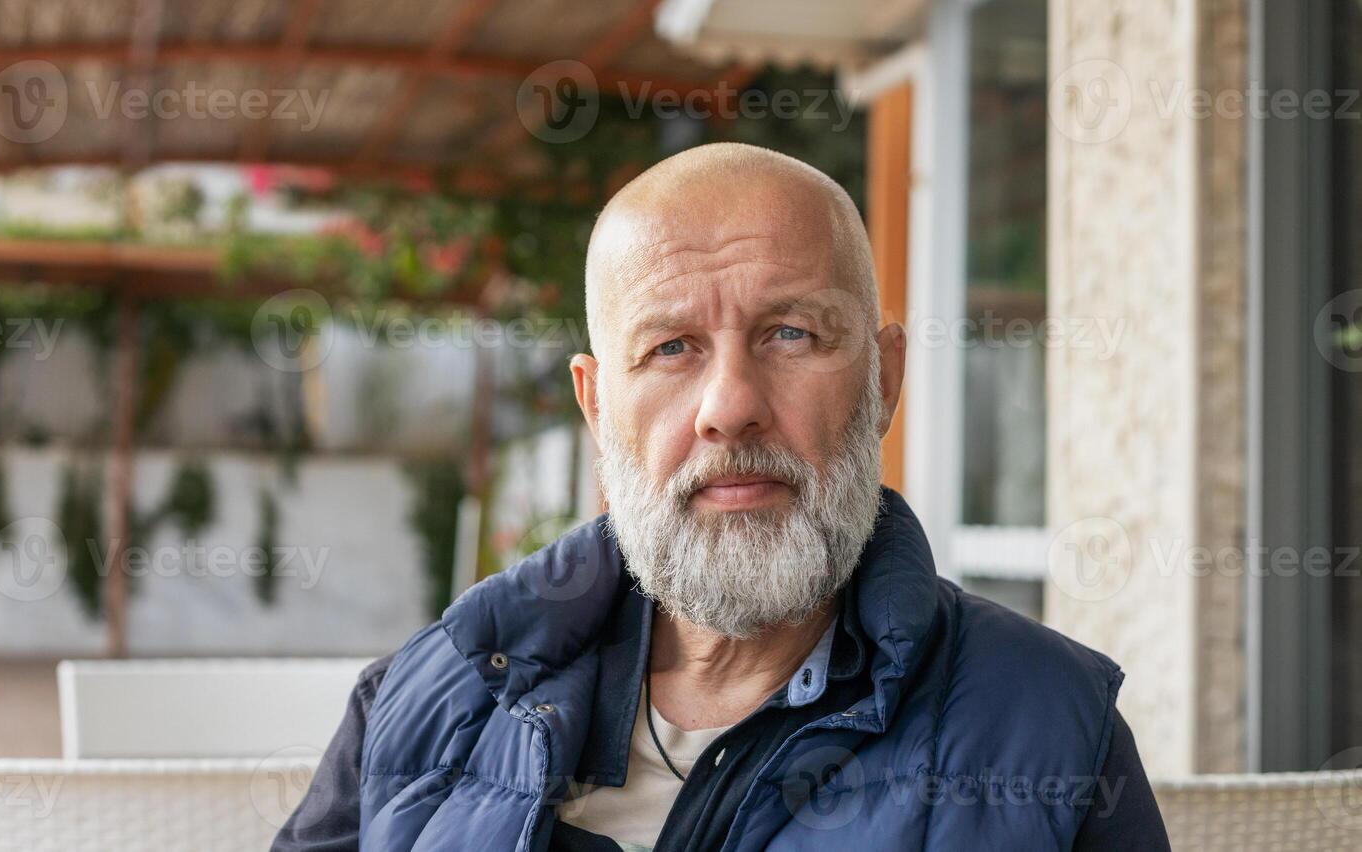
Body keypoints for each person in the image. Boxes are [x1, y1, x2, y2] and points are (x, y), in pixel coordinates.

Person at [273, 143, 1168, 851]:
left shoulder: (1051, 725)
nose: (730, 407)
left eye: (791, 332)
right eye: (670, 348)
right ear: (595, 404)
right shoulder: (426, 695)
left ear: (883, 380)